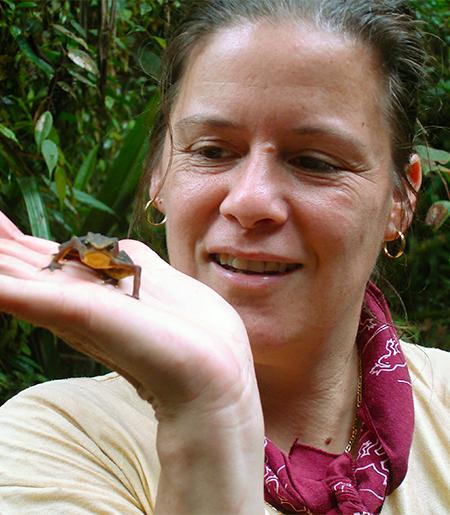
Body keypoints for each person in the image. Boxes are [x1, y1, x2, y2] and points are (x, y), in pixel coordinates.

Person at [0, 1, 448, 513]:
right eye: (212, 151)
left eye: (315, 162)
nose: (250, 200)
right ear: (158, 178)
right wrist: (207, 413)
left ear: (400, 202)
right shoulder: (53, 440)